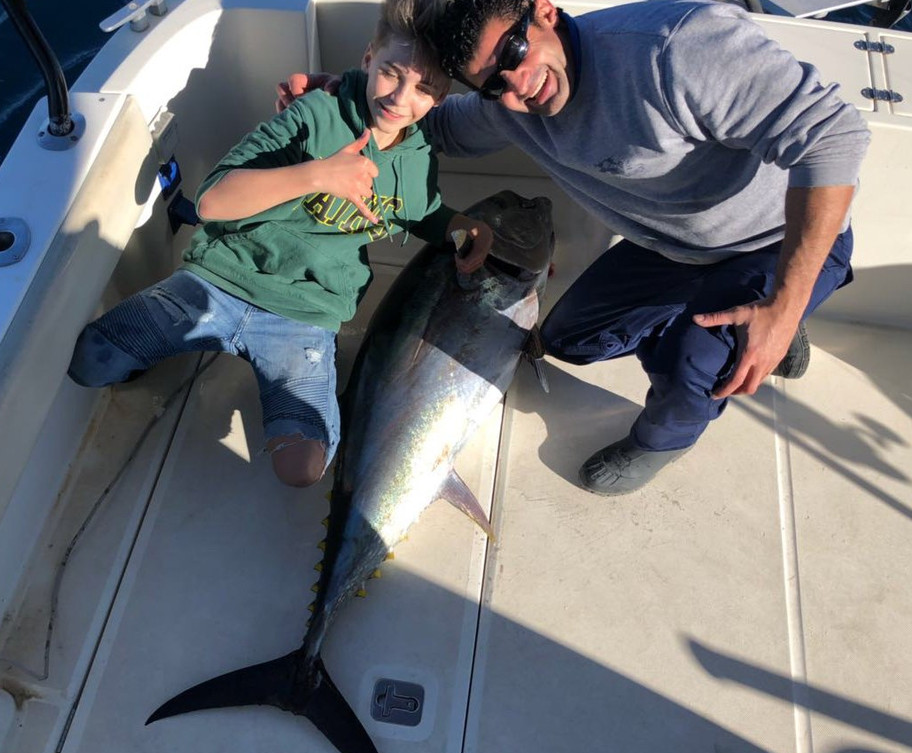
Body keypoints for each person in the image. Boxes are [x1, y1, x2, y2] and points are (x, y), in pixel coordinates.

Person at [278, 0, 870, 495]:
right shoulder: (508, 106)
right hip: (670, 251)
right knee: (568, 341)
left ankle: (667, 435)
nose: (517, 88)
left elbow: (834, 135)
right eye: (491, 84)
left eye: (514, 52)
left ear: (544, 11)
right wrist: (337, 99)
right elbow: (432, 126)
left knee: (692, 365)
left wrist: (785, 303)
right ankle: (740, 326)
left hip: (774, 241)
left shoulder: (677, 49)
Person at [68, 0, 493, 488]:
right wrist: (317, 175)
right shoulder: (316, 111)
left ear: (440, 99)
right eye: (391, 73)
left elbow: (420, 212)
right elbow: (211, 203)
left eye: (424, 89)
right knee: (89, 363)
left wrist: (459, 224)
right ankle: (155, 349)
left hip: (303, 314)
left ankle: (308, 366)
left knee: (302, 470)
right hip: (219, 279)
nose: (400, 97)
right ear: (369, 56)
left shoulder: (418, 157)